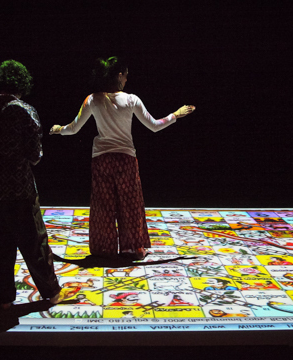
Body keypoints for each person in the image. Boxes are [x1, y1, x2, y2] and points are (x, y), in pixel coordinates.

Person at [50, 56, 195, 260]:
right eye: (126, 75)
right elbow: (154, 125)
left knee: (103, 205)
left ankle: (103, 249)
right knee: (130, 203)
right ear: (119, 75)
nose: (127, 79)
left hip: (101, 159)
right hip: (125, 159)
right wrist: (176, 115)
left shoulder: (93, 99)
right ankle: (133, 248)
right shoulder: (131, 100)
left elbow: (73, 129)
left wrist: (58, 129)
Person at [0, 60, 65, 309]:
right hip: (19, 188)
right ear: (21, 84)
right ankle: (51, 292)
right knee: (33, 242)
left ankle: (5, 298)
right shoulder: (24, 110)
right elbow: (35, 155)